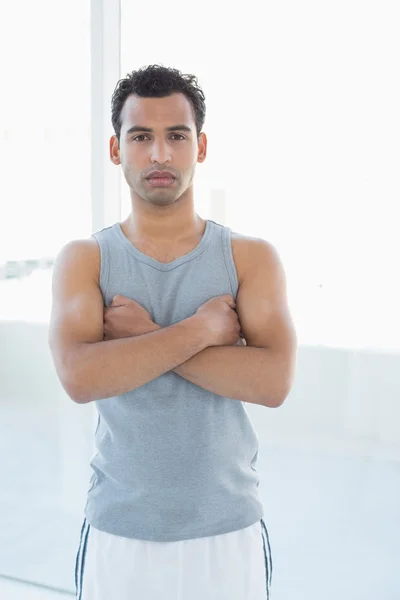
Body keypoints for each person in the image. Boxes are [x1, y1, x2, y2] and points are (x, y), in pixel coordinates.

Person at [48, 64, 297, 600]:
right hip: (120, 531)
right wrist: (203, 330)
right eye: (141, 136)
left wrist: (145, 334)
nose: (159, 154)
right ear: (116, 150)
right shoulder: (86, 259)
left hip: (228, 533)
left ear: (200, 147)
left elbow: (273, 383)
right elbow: (80, 377)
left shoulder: (249, 258)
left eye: (176, 136)